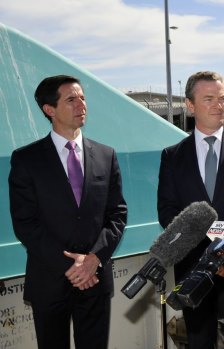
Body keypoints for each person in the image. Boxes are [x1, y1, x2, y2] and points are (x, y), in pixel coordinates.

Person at [8, 75, 127, 349]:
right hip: (49, 281)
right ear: (49, 110)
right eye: (71, 99)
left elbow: (117, 214)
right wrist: (72, 266)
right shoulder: (27, 160)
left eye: (83, 98)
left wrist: (94, 259)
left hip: (95, 279)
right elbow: (25, 223)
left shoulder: (106, 155)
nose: (81, 104)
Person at [157, 71, 224, 348]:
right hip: (192, 267)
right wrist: (206, 251)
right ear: (190, 106)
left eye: (222, 98)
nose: (219, 105)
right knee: (198, 340)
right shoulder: (172, 156)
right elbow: (167, 211)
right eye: (209, 99)